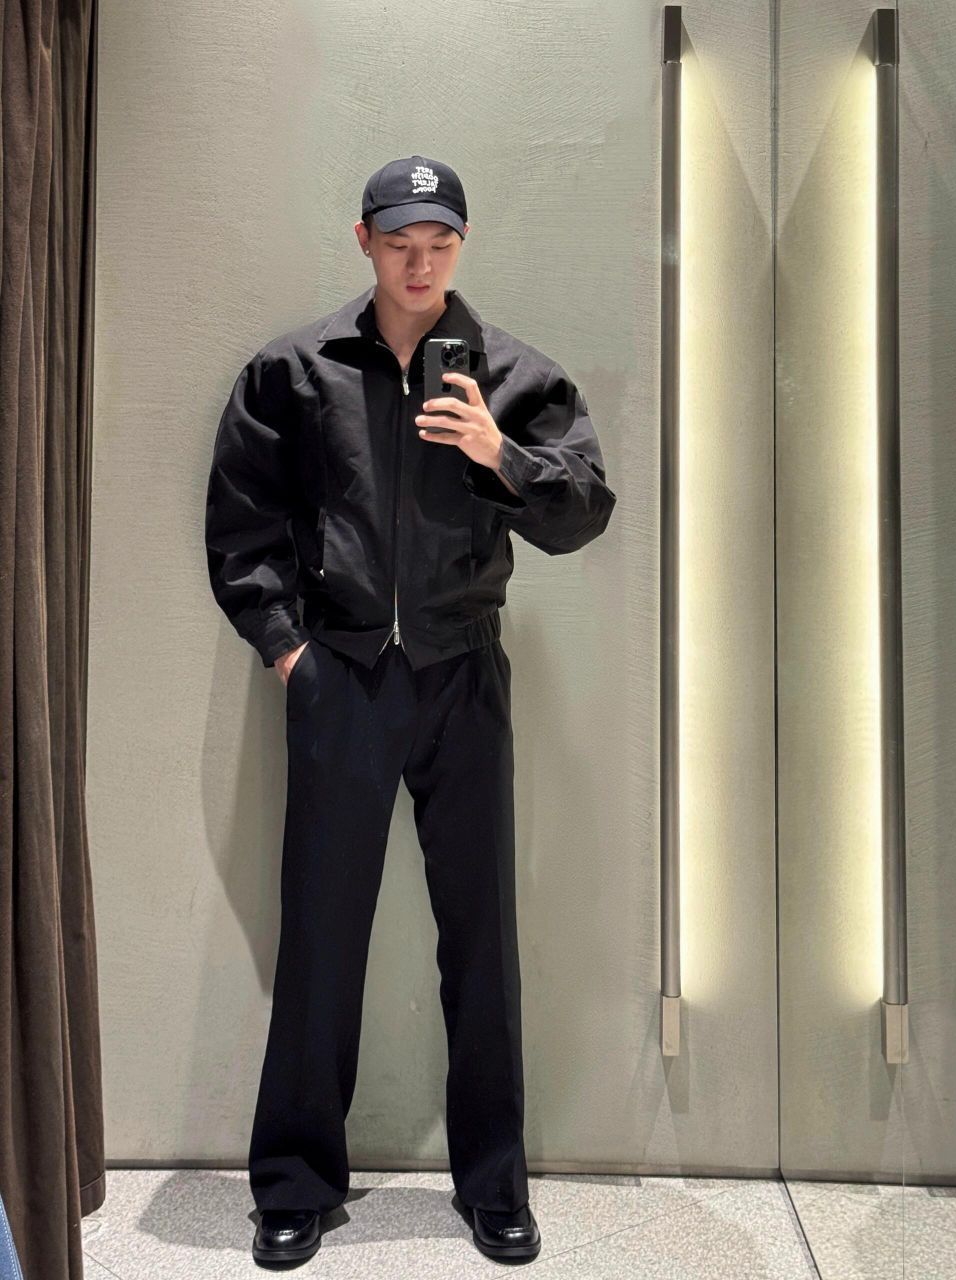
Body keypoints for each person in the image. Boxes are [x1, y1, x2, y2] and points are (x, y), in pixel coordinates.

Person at [204, 154, 617, 1268]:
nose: (420, 263)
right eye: (400, 243)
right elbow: (241, 525)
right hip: (341, 676)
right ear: (365, 241)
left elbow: (584, 512)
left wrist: (499, 453)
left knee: (482, 939)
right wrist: (289, 650)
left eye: (439, 244)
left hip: (463, 676)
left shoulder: (515, 376)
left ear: (461, 244)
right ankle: (295, 1183)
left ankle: (494, 1185)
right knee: (320, 934)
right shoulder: (295, 371)